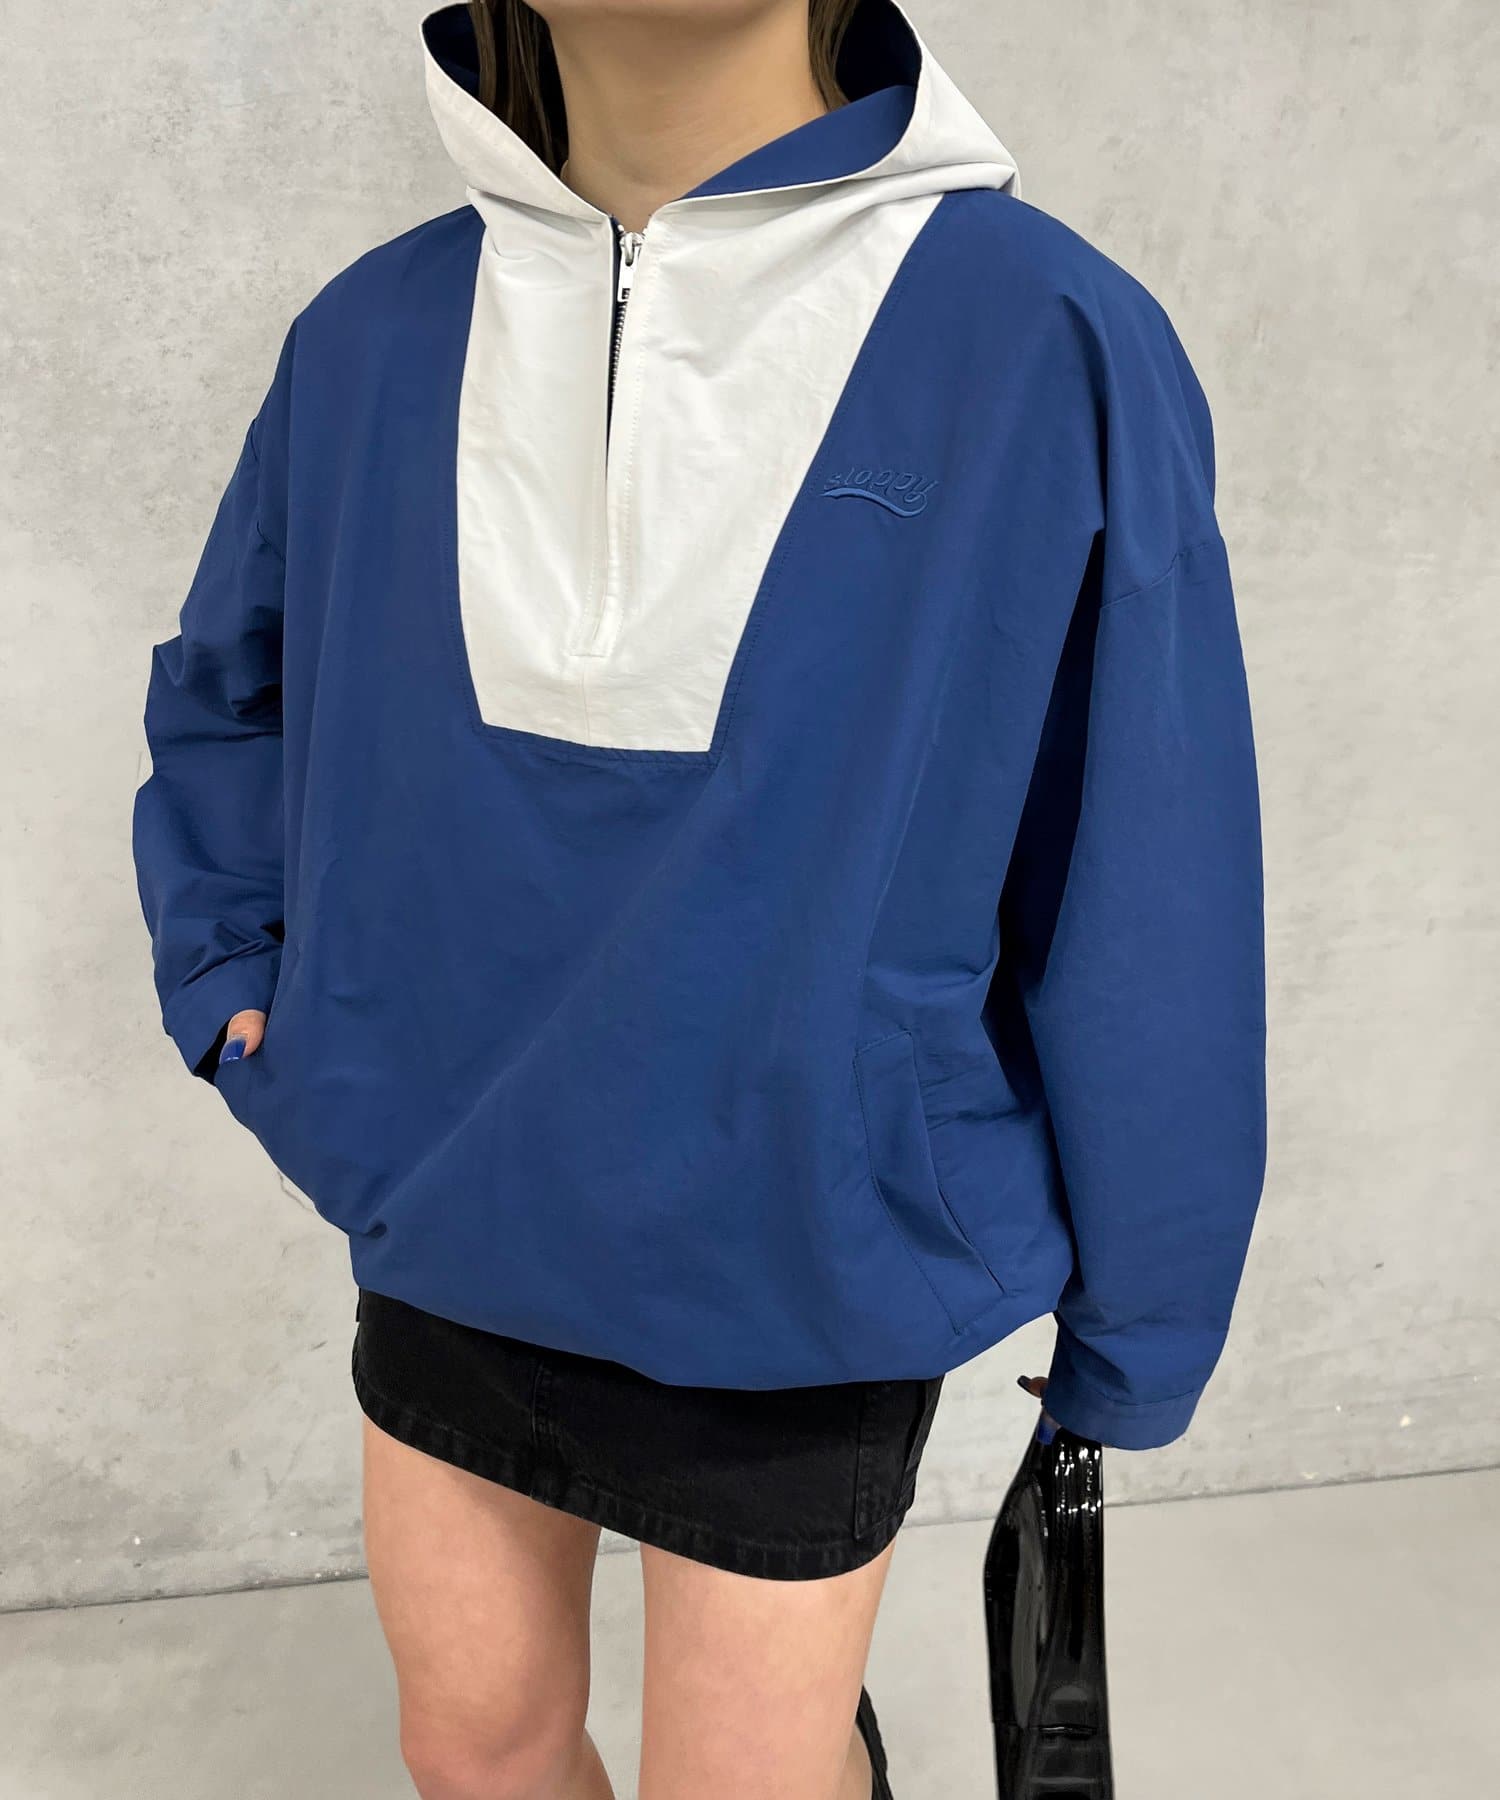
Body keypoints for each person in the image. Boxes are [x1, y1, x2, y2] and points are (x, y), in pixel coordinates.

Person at [131, 0, 1267, 1794]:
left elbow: (1146, 853)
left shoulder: (1043, 334)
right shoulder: (371, 334)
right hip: (455, 1205)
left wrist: (1143, 1316)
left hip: (803, 1255)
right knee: (474, 1747)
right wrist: (233, 980)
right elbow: (231, 692)